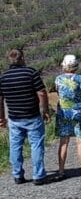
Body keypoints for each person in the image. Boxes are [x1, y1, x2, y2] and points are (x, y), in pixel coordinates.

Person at [0, 48, 51, 185]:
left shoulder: (3, 77)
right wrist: (45, 110)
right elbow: (41, 92)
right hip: (32, 115)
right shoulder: (31, 72)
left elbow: (0, 99)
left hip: (14, 117)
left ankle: (17, 175)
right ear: (22, 58)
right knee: (36, 145)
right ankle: (38, 175)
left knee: (15, 146)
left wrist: (1, 117)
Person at [54, 54, 81, 180]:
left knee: (63, 142)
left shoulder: (58, 79)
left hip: (64, 113)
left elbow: (59, 92)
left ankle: (61, 171)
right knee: (80, 141)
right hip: (79, 113)